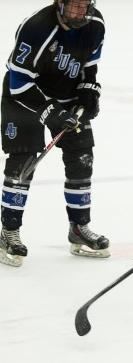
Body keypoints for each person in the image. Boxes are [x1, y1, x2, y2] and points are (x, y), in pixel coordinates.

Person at [0, 0, 108, 267]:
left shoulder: (96, 25)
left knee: (82, 157)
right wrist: (52, 113)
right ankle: (8, 232)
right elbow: (18, 82)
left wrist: (89, 91)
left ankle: (79, 228)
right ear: (60, 3)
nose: (79, 12)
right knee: (22, 160)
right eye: (74, 6)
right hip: (25, 96)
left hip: (66, 96)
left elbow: (89, 67)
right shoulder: (36, 27)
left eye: (85, 6)